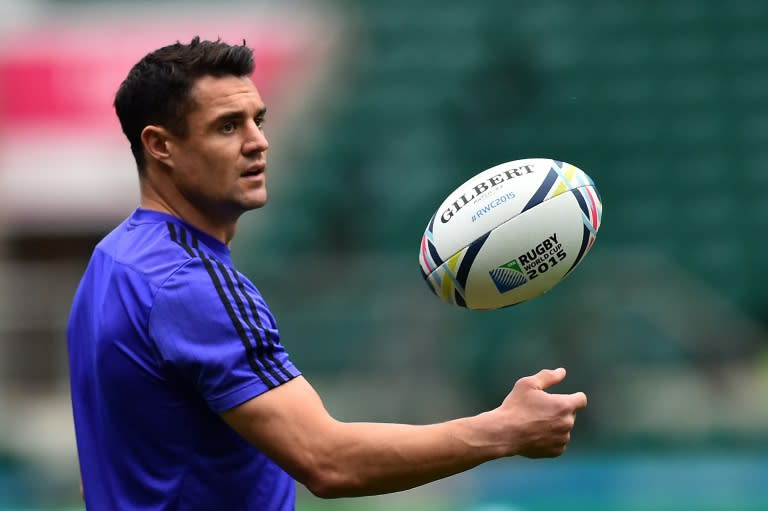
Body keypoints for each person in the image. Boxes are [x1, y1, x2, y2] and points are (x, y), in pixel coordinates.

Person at [67, 37, 587, 510]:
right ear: (160, 145)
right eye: (228, 126)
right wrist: (503, 431)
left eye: (259, 120)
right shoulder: (190, 282)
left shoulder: (113, 262)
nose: (258, 142)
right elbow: (328, 461)